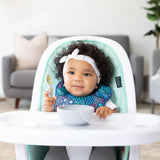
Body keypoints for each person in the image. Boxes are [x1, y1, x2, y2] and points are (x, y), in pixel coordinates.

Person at [43, 42, 119, 160]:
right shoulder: (57, 99)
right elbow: (46, 124)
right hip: (62, 143)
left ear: (97, 82)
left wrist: (108, 111)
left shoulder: (102, 99)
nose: (77, 78)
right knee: (53, 156)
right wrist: (47, 110)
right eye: (71, 72)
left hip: (98, 143)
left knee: (105, 154)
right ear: (64, 77)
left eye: (87, 74)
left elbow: (120, 121)